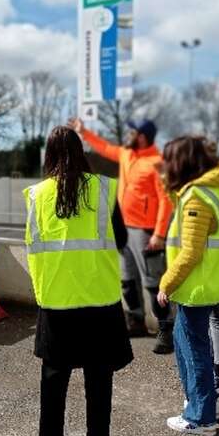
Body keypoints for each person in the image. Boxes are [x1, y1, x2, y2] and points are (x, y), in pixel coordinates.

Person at [23, 126, 133, 436]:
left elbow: (32, 246)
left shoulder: (36, 195)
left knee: (53, 383)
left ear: (49, 155)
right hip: (100, 302)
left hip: (56, 303)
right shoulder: (104, 190)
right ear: (82, 151)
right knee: (99, 381)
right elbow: (123, 241)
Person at [157, 136, 219, 436]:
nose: (164, 166)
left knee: (192, 349)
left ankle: (200, 417)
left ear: (181, 163)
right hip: (217, 281)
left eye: (169, 160)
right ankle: (207, 405)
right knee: (197, 347)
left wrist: (167, 283)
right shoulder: (217, 188)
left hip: (197, 287)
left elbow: (191, 252)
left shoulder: (197, 197)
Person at [68, 117, 173, 354]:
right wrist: (83, 131)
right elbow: (105, 147)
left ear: (142, 136)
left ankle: (166, 330)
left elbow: (166, 201)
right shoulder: (127, 154)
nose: (128, 135)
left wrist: (159, 233)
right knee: (127, 280)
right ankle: (135, 321)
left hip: (147, 233)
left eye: (132, 132)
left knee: (153, 283)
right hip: (124, 229)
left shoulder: (157, 162)